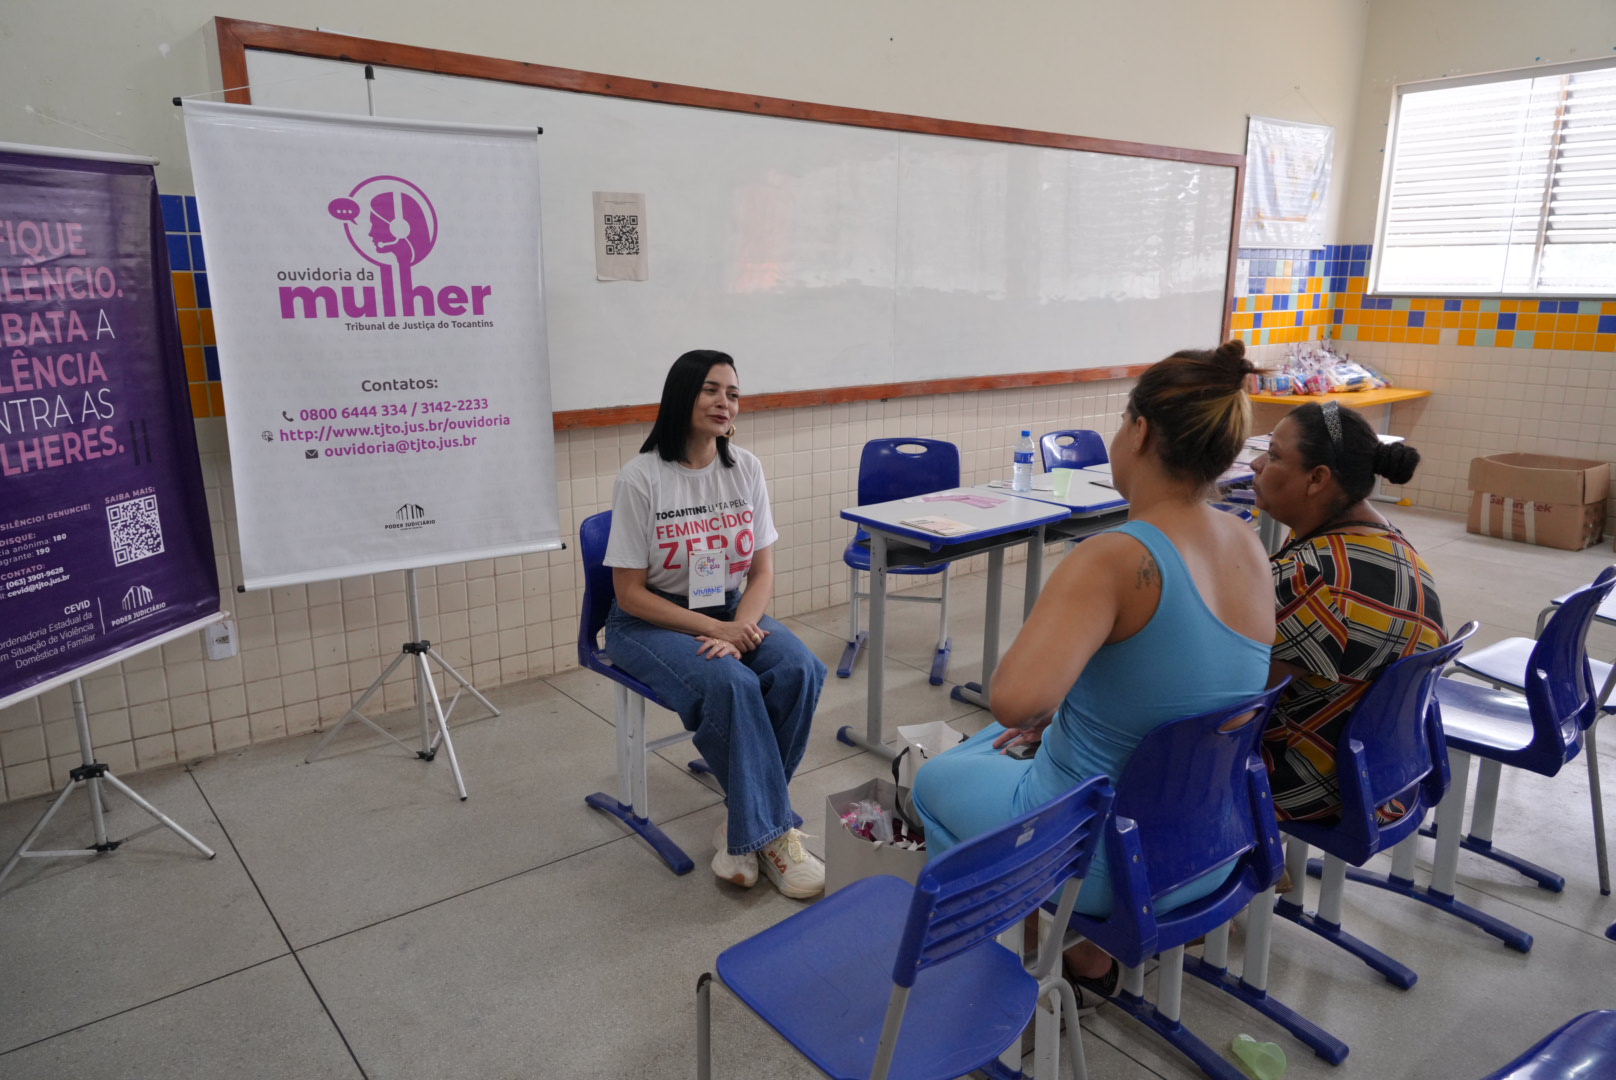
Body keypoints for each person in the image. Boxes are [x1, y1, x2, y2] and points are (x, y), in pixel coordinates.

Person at [910, 339, 1275, 991]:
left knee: (933, 781)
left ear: (1139, 431)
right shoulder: (1247, 541)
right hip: (1212, 847)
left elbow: (1014, 700)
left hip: (1103, 858)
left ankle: (1021, 954)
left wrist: (1053, 706)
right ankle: (1076, 950)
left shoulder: (1113, 558)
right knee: (1005, 743)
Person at [603, 349, 829, 898]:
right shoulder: (641, 477)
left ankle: (743, 826)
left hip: (728, 608)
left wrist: (739, 628)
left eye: (733, 393)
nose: (724, 402)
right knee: (731, 682)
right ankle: (772, 833)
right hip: (649, 621)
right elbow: (629, 594)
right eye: (711, 390)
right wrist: (715, 633)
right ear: (682, 395)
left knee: (800, 667)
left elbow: (762, 571)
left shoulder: (745, 468)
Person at [1250, 401, 1445, 822]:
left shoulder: (1309, 577)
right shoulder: (1397, 547)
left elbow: (1239, 698)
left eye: (1275, 455)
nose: (1256, 463)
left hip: (1313, 785)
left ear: (1317, 479)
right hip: (1389, 770)